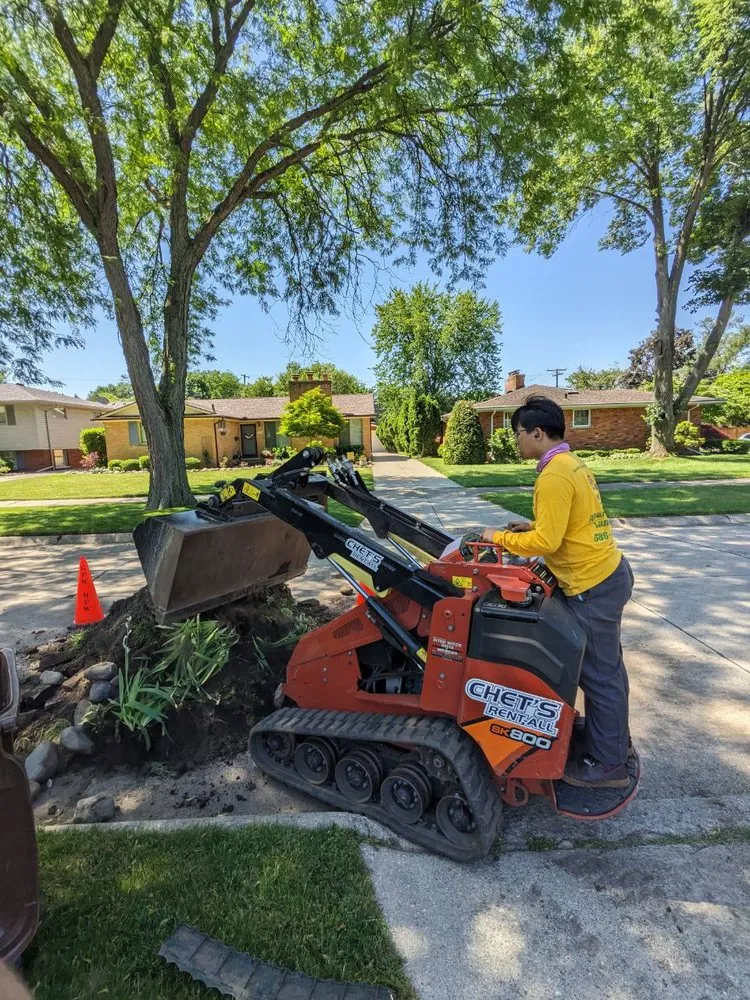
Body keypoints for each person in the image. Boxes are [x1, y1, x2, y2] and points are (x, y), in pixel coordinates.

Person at [480, 395, 634, 789]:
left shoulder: (553, 475)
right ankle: (612, 740)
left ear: (537, 433)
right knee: (603, 668)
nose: (515, 439)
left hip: (591, 585)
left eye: (518, 433)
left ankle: (609, 764)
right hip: (605, 575)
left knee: (599, 675)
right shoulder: (570, 464)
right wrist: (531, 526)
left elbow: (547, 542)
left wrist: (496, 537)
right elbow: (567, 523)